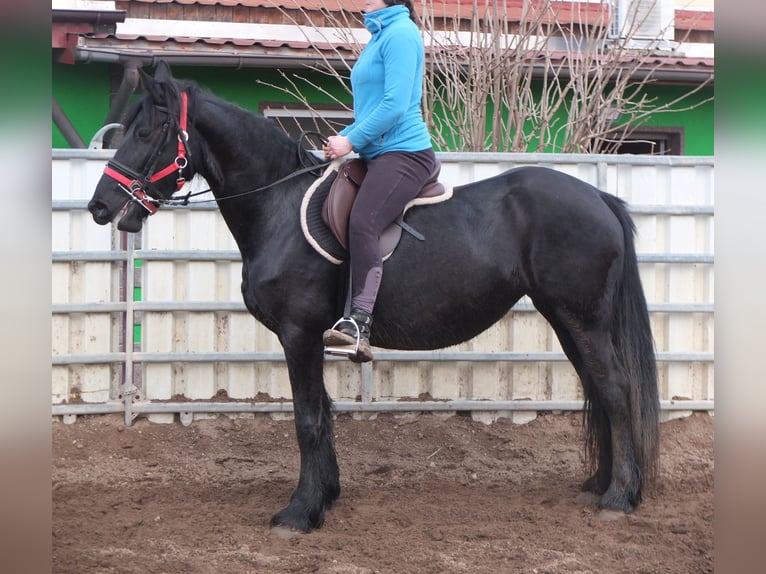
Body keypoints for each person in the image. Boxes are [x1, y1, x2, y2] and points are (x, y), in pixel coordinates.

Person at [322, 0, 436, 362]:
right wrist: (346, 135)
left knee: (364, 220)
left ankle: (359, 323)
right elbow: (372, 106)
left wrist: (351, 140)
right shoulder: (379, 35)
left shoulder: (401, 34)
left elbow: (395, 104)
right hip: (376, 152)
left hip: (405, 153)